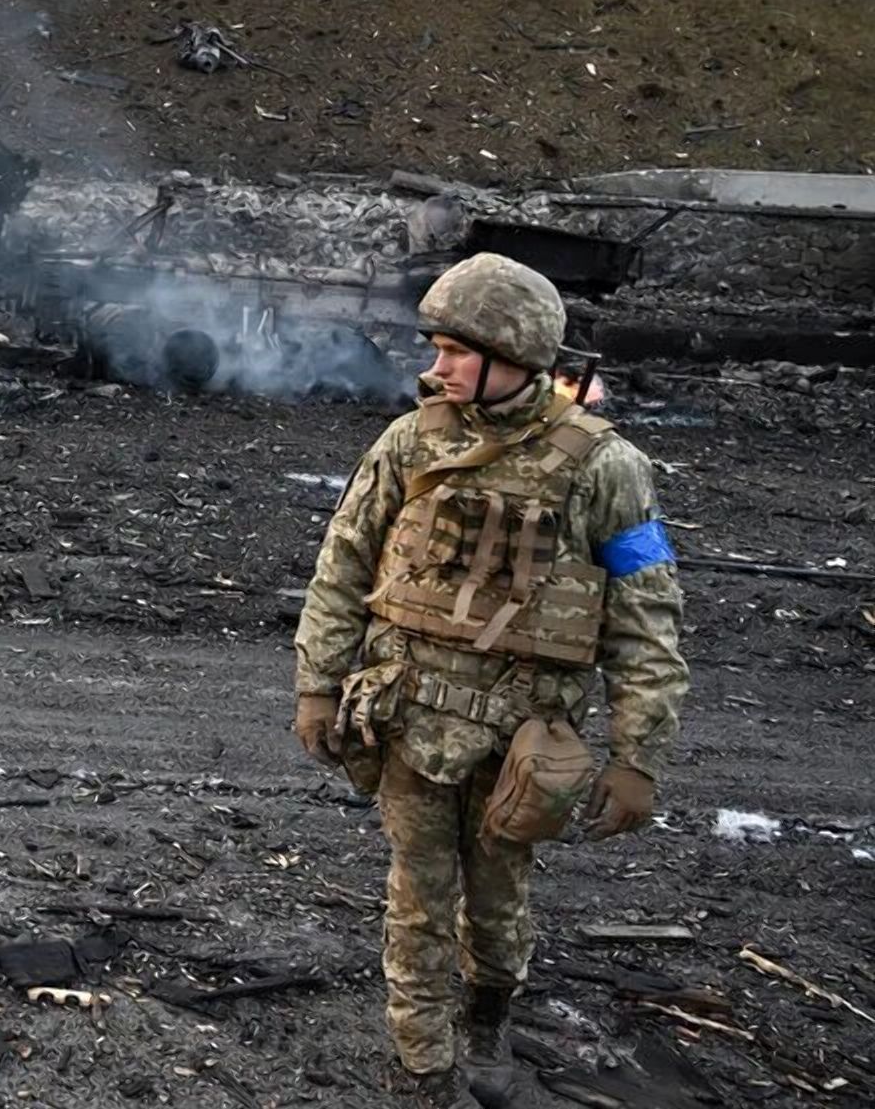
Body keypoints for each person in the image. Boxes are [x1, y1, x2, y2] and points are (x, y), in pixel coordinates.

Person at [292, 253, 688, 1108]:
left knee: (500, 899)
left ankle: (486, 1017)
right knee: (416, 897)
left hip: (524, 737)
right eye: (435, 347)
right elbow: (342, 561)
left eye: (453, 350)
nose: (434, 367)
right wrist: (317, 683)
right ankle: (422, 1066)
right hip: (407, 716)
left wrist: (636, 754)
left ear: (514, 354)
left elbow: (646, 616)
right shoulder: (410, 440)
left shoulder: (606, 467)